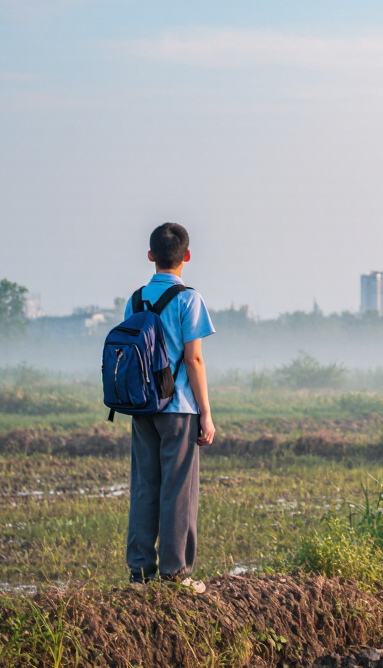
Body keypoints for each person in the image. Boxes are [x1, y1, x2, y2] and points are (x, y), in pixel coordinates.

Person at [125, 222, 216, 590]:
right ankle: (175, 573)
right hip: (178, 408)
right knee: (179, 488)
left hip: (142, 406)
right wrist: (206, 414)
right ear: (187, 257)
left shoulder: (135, 299)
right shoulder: (189, 299)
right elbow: (193, 360)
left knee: (145, 486)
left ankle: (140, 572)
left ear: (150, 256)